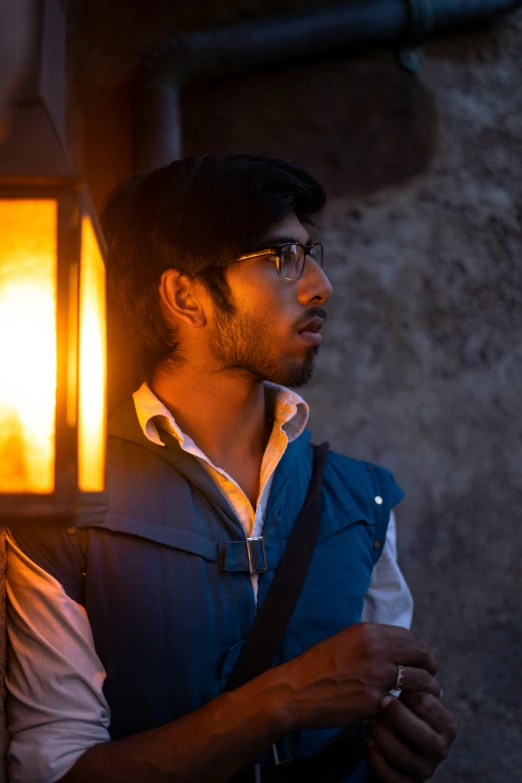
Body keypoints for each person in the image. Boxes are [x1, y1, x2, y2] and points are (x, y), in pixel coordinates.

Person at [6, 153, 457, 783]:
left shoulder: (362, 500)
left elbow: (385, 712)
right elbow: (51, 773)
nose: (320, 284)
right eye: (280, 259)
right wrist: (285, 698)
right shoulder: (61, 509)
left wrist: (407, 747)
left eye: (310, 253)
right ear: (184, 296)